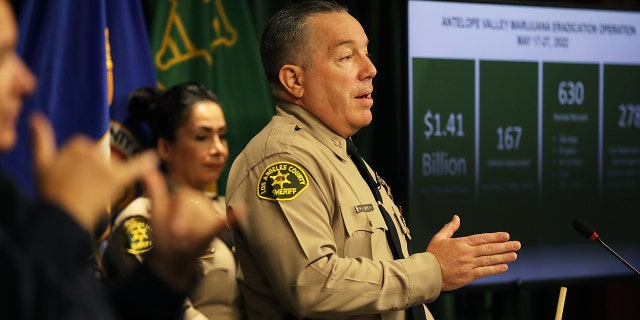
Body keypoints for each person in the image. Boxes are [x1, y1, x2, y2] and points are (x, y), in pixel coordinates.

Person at [225, 1, 522, 319]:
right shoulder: (282, 162)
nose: (370, 69)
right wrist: (431, 270)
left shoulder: (341, 155)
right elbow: (312, 285)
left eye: (366, 52)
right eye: (347, 56)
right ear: (294, 80)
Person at [0, 1, 239, 318]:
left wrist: (165, 272)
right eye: (2, 57)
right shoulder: (132, 217)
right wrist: (63, 217)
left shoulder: (7, 198)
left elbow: (87, 312)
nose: (26, 82)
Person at [103, 82, 242, 320]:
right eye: (202, 137)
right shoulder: (142, 221)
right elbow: (168, 310)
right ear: (166, 148)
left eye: (222, 136)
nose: (218, 149)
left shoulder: (221, 207)